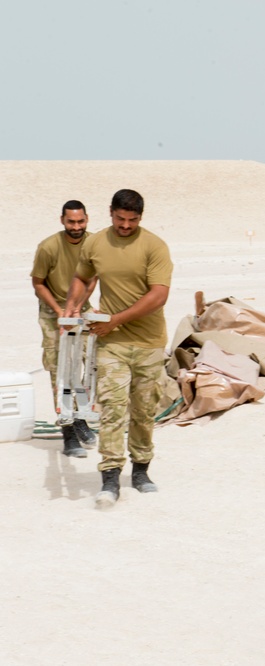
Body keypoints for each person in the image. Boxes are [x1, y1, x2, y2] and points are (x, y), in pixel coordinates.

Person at [63, 189, 173, 509]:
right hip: (111, 343)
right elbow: (83, 278)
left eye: (132, 220)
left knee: (142, 410)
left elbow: (158, 296)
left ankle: (141, 472)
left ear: (141, 217)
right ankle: (110, 477)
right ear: (110, 213)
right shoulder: (96, 243)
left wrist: (117, 319)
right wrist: (72, 307)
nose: (125, 226)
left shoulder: (155, 246)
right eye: (120, 219)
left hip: (149, 342)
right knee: (112, 407)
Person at [30, 200, 99, 458]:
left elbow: (93, 278)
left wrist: (79, 306)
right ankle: (69, 434)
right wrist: (60, 312)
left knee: (88, 363)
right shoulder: (48, 247)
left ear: (87, 219)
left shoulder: (94, 243)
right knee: (59, 370)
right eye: (71, 222)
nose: (76, 227)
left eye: (81, 221)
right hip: (52, 312)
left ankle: (80, 417)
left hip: (81, 307)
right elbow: (38, 283)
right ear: (62, 221)